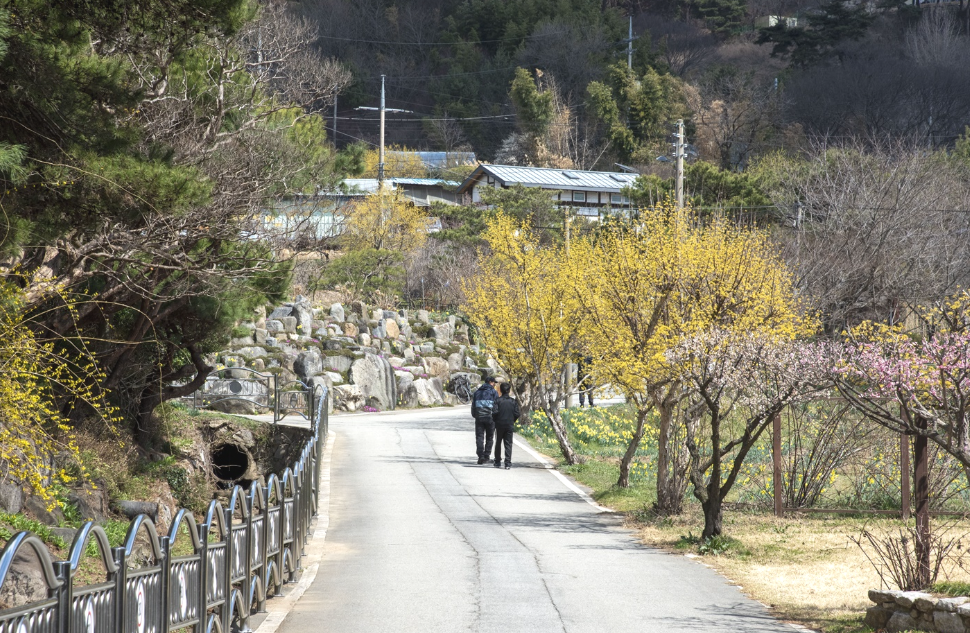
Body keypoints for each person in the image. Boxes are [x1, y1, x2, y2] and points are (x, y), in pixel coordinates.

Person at [492, 382, 520, 469]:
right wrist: (512, 420)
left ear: (500, 390)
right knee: (508, 444)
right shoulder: (513, 401)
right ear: (509, 390)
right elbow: (517, 413)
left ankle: (497, 461)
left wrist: (496, 420)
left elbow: (494, 412)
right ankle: (507, 463)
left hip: (499, 425)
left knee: (498, 442)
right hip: (509, 425)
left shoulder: (497, 401)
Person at [471, 376, 498, 464]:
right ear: (490, 382)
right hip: (490, 418)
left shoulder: (477, 392)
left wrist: (475, 415)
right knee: (489, 437)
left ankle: (480, 457)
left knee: (479, 437)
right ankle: (486, 456)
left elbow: (473, 405)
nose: (494, 384)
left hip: (479, 418)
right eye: (494, 382)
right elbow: (496, 406)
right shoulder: (493, 392)